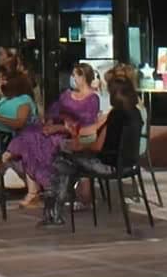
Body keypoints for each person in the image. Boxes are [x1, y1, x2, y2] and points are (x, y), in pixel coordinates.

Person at [40, 82, 144, 226]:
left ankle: (54, 210)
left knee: (62, 161)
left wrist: (79, 146)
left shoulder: (115, 116)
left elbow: (97, 146)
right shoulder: (135, 114)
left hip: (108, 165)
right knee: (68, 164)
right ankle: (64, 204)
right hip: (128, 164)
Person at [0, 62, 100, 208]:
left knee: (36, 143)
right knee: (29, 133)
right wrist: (49, 123)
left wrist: (58, 128)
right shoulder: (66, 95)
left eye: (75, 75)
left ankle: (5, 160)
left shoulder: (92, 99)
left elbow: (85, 126)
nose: (72, 78)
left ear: (83, 77)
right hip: (55, 129)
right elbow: (54, 111)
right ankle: (31, 190)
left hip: (72, 135)